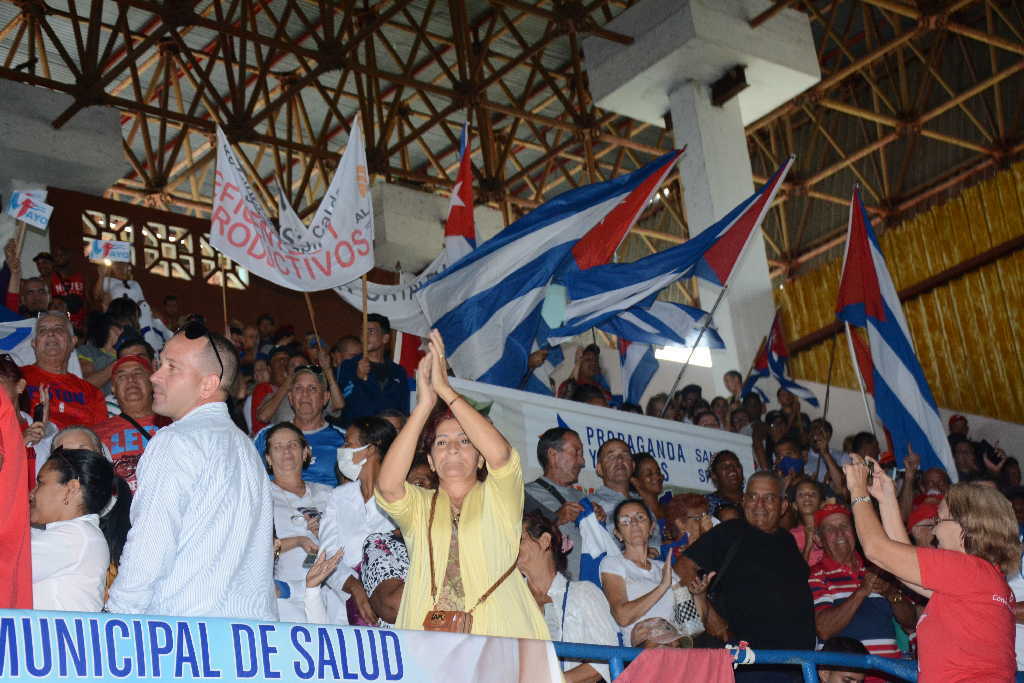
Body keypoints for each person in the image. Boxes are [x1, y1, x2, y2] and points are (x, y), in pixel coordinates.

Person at [375, 330, 549, 639]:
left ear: (480, 459)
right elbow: (388, 486)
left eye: (464, 441)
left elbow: (502, 456)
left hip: (499, 634)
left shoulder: (499, 495)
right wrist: (424, 406)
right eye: (441, 442)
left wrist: (446, 390)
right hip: (428, 635)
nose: (452, 448)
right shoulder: (419, 504)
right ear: (430, 461)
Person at [106, 317, 277, 619]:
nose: (155, 376)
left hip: (186, 638)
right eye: (159, 364)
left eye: (171, 367)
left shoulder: (176, 440)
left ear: (209, 383)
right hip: (248, 637)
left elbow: (151, 545)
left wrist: (117, 616)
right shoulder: (247, 449)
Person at [843, 454, 1019, 681]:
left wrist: (858, 491)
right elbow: (902, 566)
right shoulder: (982, 578)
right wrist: (886, 498)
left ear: (965, 525)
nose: (934, 530)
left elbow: (877, 550)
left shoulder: (968, 570)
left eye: (939, 519)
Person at [680, 472, 816, 673]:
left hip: (795, 667)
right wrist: (712, 617)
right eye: (752, 497)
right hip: (747, 664)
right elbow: (682, 568)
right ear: (743, 502)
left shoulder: (788, 540)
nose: (759, 504)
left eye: (769, 498)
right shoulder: (730, 531)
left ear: (784, 506)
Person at [518, 510, 619, 682]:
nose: (509, 546)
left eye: (519, 539)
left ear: (544, 541)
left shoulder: (583, 593)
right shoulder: (509, 600)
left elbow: (604, 659)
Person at [809, 504, 915, 662]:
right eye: (830, 529)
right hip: (845, 674)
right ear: (818, 539)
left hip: (888, 672)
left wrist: (891, 593)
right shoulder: (816, 574)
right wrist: (861, 592)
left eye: (844, 526)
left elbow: (911, 622)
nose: (840, 533)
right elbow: (824, 629)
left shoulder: (878, 568)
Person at [319, 416, 398, 624]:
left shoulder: (402, 498)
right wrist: (354, 586)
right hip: (341, 608)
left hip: (391, 608)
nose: (342, 449)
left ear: (370, 450)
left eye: (348, 444)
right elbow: (328, 554)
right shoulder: (338, 497)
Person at [30, 447, 130, 611]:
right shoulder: (76, 534)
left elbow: (10, 563)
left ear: (72, 488)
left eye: (40, 483)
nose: (32, 493)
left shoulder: (77, 536)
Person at [260, 422, 333, 622]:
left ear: (305, 452)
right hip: (285, 596)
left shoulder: (327, 494)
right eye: (278, 447)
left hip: (331, 592)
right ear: (268, 458)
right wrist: (298, 540)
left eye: (292, 445)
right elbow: (252, 548)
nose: (286, 451)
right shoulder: (260, 494)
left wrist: (324, 534)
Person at [525, 427, 606, 579]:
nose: (582, 462)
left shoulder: (584, 497)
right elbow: (518, 540)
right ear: (553, 455)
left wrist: (600, 520)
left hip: (592, 587)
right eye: (577, 453)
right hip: (553, 590)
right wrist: (556, 519)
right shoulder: (526, 494)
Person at [254, 364, 345, 487]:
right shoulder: (266, 436)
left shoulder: (343, 440)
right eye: (298, 388)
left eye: (312, 388)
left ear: (325, 397)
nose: (305, 394)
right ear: (291, 398)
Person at [600, 499, 676, 644]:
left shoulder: (663, 567)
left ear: (652, 527)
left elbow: (691, 622)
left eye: (640, 517)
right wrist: (662, 587)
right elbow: (622, 617)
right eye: (625, 520)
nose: (634, 523)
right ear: (618, 534)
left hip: (675, 644)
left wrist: (699, 594)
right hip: (643, 649)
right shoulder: (613, 564)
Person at [92, 355, 169, 492]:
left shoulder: (176, 424)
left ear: (152, 383)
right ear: (113, 389)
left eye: (138, 373)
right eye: (122, 377)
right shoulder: (95, 435)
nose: (131, 380)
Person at [22, 312, 107, 429]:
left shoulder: (92, 393)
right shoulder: (15, 378)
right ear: (34, 344)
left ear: (73, 342)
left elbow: (102, 437)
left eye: (59, 329)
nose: (51, 333)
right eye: (42, 330)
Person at [336, 314, 409, 424]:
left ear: (385, 338)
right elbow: (344, 402)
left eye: (370, 332)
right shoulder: (349, 365)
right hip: (360, 432)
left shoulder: (398, 371)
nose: (364, 336)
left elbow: (404, 409)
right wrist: (358, 378)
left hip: (390, 433)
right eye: (362, 331)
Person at [589, 438, 634, 529]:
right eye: (611, 457)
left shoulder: (644, 504)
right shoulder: (591, 504)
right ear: (599, 469)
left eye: (625, 455)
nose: (620, 460)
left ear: (633, 466)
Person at [78, 312, 122, 392]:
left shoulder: (133, 351)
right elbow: (87, 385)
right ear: (113, 329)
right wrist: (120, 362)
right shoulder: (87, 351)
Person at [632, 453, 666, 547]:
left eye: (658, 472)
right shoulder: (634, 515)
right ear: (635, 481)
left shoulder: (670, 509)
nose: (657, 477)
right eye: (649, 474)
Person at [791, 478, 825, 565]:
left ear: (822, 504)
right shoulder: (791, 536)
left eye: (813, 494)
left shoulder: (829, 529)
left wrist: (825, 542)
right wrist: (808, 544)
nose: (807, 496)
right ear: (795, 505)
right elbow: (795, 571)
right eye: (801, 494)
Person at [705, 450, 744, 518]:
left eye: (736, 465)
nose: (732, 468)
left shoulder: (754, 502)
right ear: (714, 475)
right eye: (724, 466)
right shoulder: (706, 504)